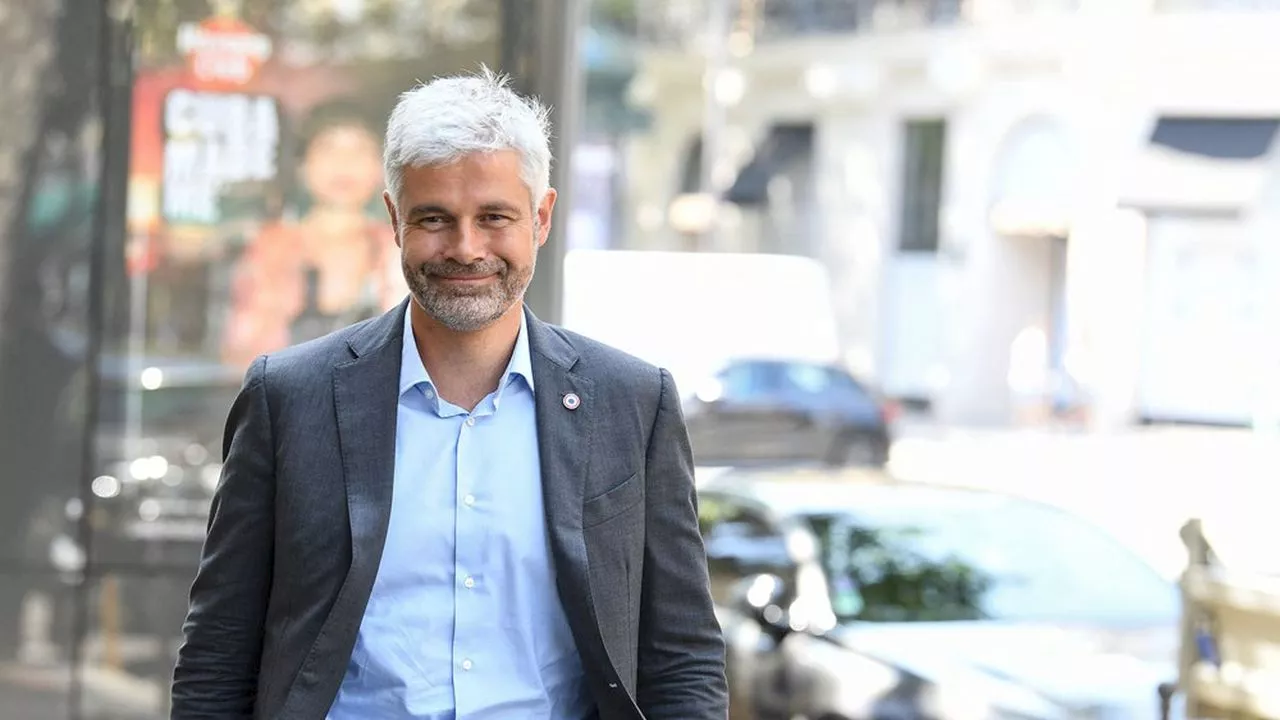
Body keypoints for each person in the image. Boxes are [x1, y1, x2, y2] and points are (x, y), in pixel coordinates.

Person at [170, 68, 728, 720]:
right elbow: (218, 651)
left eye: (495, 217)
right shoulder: (290, 399)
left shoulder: (631, 403)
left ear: (541, 217)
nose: (466, 249)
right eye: (435, 218)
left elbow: (682, 656)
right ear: (394, 218)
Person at [221, 100, 401, 369]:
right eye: (329, 148)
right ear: (302, 166)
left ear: (381, 167)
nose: (344, 164)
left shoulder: (399, 247)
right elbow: (240, 356)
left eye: (360, 150)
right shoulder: (269, 248)